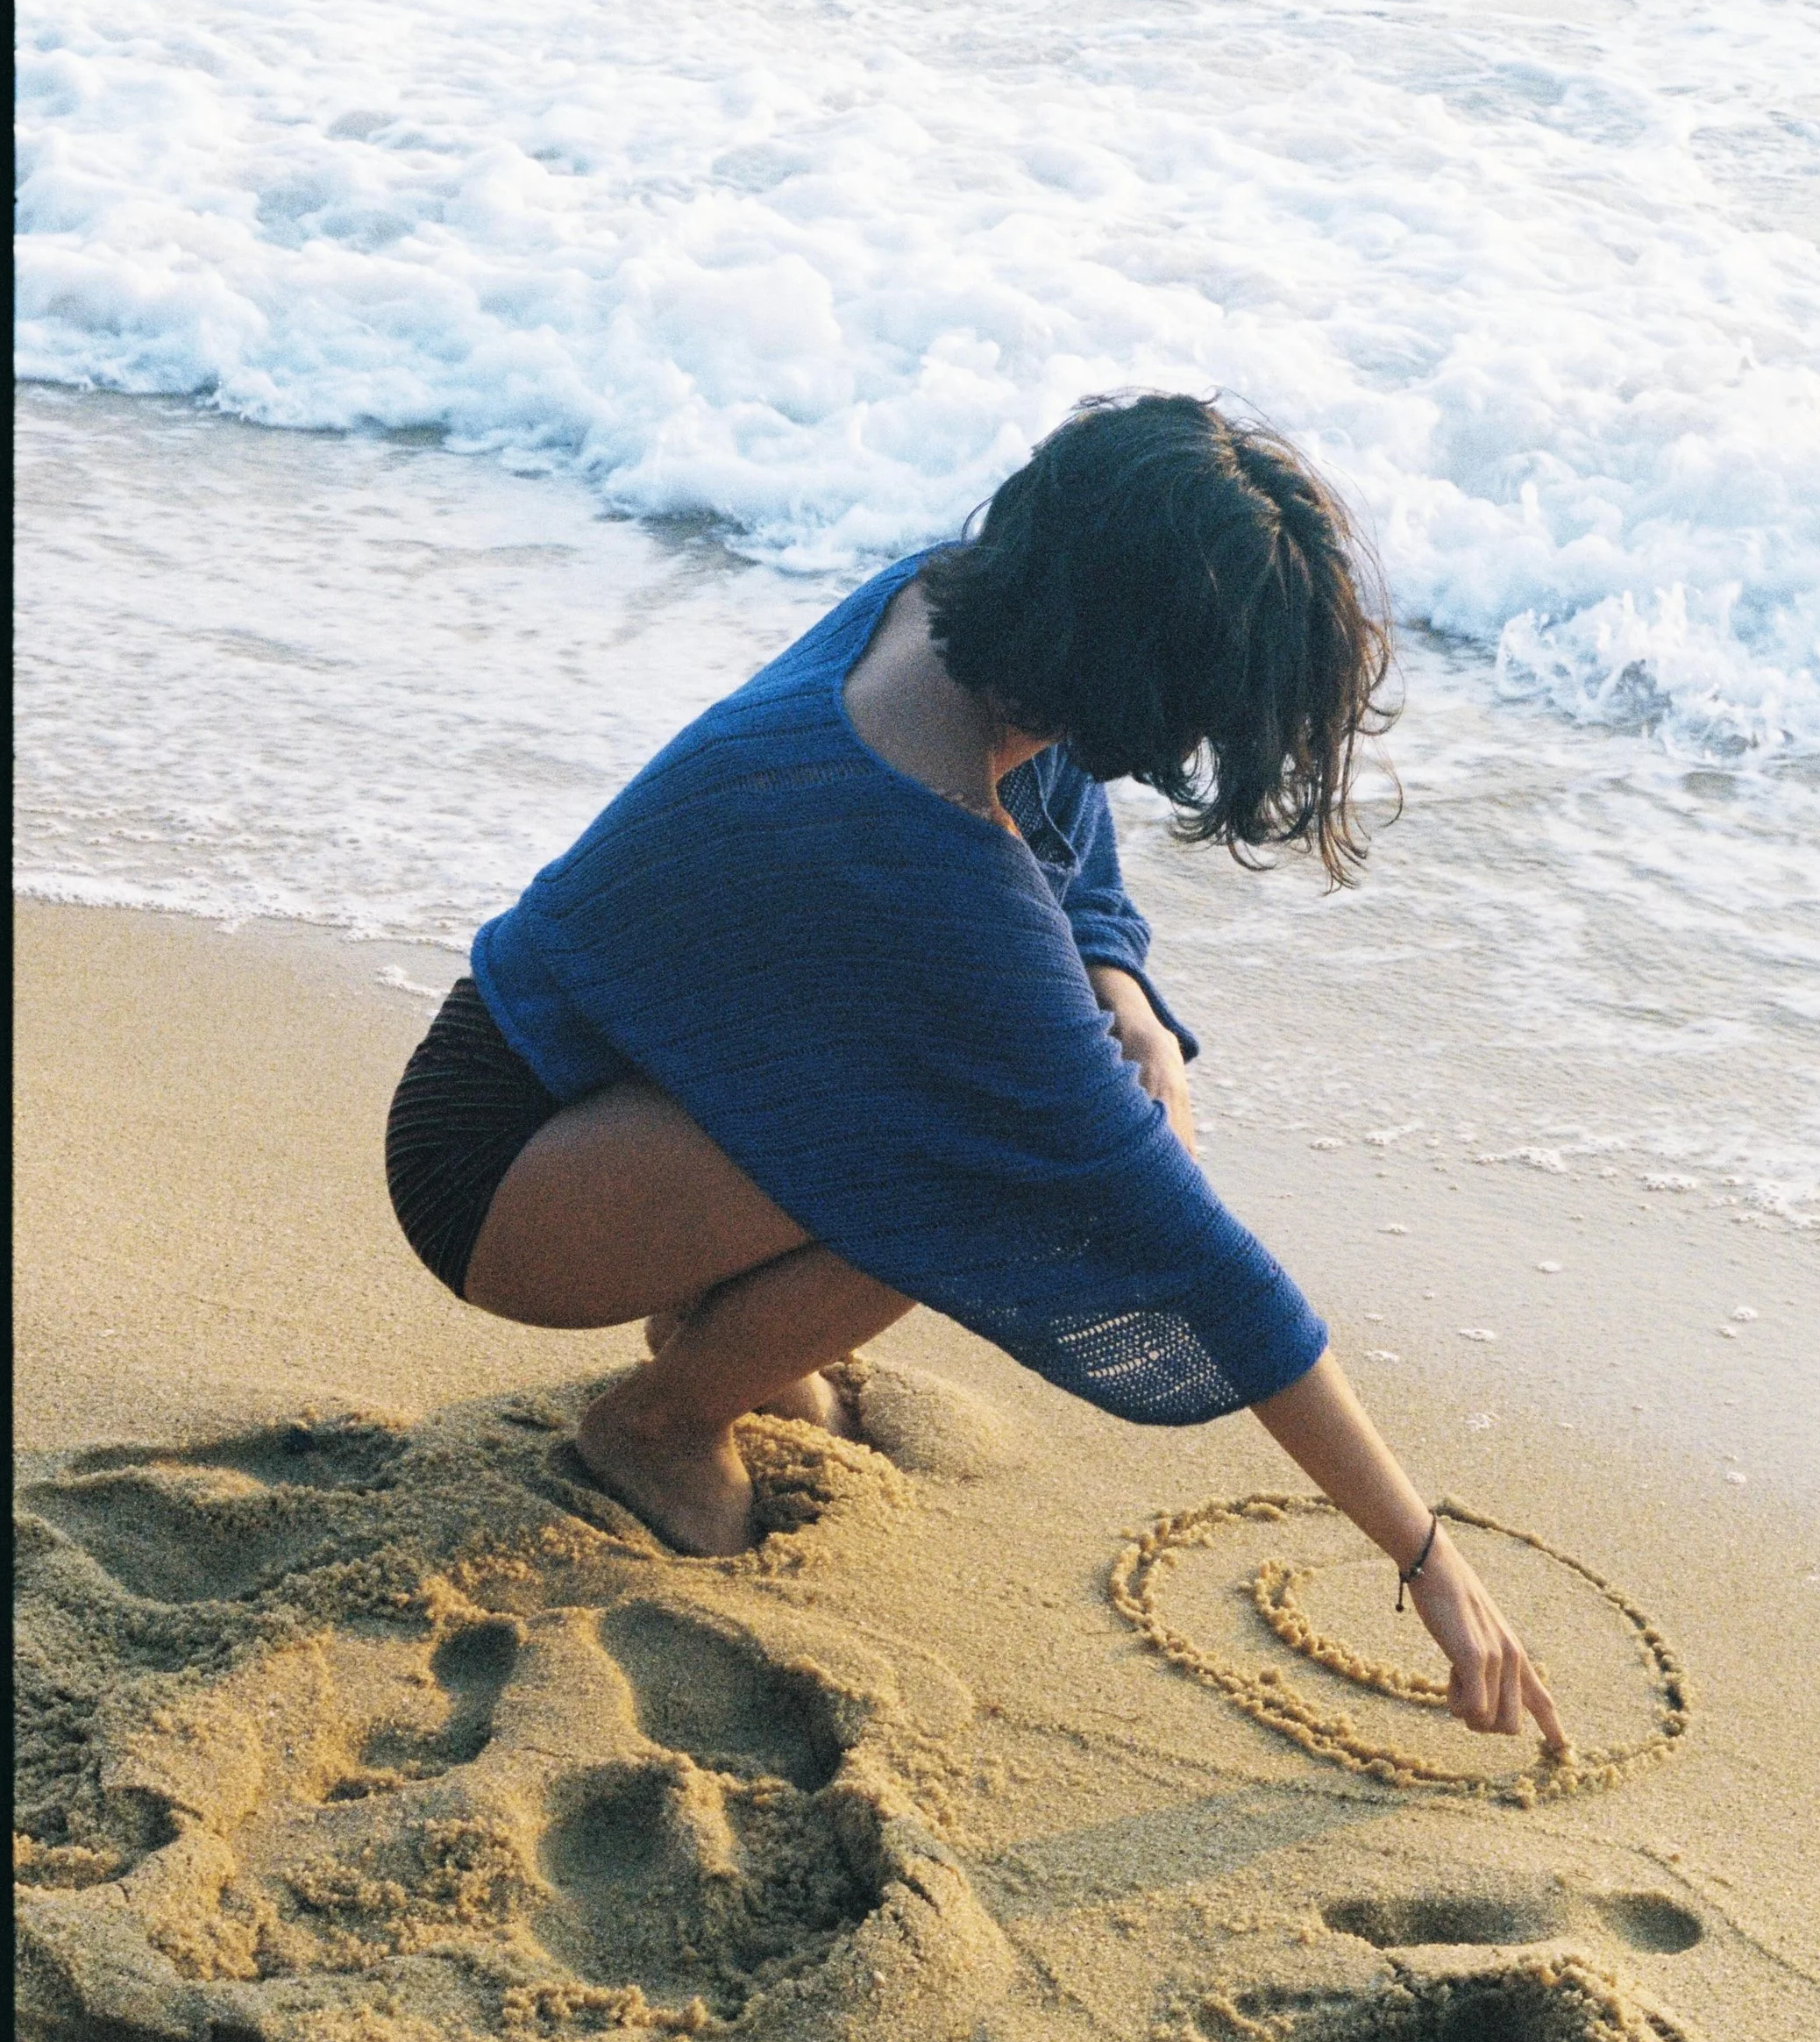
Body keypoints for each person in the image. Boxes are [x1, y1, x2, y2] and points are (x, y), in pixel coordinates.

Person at [386, 394, 1565, 1752]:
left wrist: (1126, 1000)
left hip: (582, 1080)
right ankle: (661, 1420)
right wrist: (1425, 1554)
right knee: (977, 1165)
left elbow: (1066, 828)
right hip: (500, 1173)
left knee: (979, 1111)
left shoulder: (947, 621)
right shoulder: (937, 858)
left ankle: (717, 1331)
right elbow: (1192, 1257)